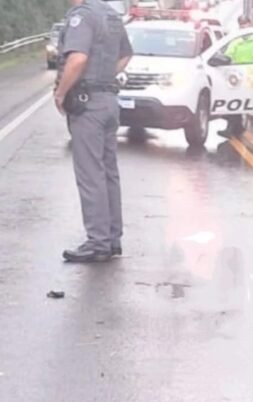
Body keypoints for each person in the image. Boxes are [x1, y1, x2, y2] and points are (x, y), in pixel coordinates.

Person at [54, 0, 132, 263]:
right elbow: (125, 55)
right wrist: (104, 75)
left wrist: (61, 93)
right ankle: (111, 238)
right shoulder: (111, 15)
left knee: (90, 173)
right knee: (108, 172)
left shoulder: (82, 17)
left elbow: (77, 59)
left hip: (88, 105)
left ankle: (97, 241)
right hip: (109, 101)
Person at [219, 16, 253, 138]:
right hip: (238, 76)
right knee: (234, 103)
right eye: (241, 24)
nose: (243, 26)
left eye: (245, 24)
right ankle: (234, 128)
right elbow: (228, 55)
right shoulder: (236, 40)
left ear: (250, 24)